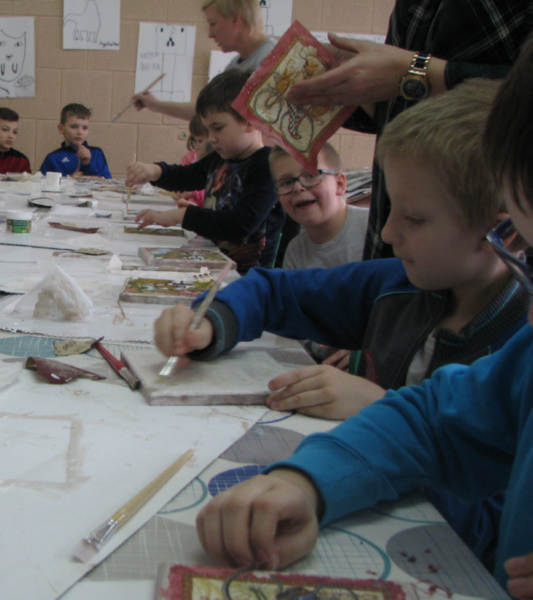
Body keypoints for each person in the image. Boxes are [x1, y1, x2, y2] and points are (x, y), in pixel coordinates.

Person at [175, 44, 533, 592]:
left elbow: (488, 528)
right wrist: (306, 482)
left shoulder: (510, 335)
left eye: (413, 218)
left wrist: (373, 403)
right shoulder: (408, 290)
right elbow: (425, 423)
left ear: (497, 229)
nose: (385, 233)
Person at [285, 0, 531, 261]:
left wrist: (417, 73)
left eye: (414, 217)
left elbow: (518, 102)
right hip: (397, 259)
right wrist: (353, 84)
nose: (389, 232)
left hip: (471, 253)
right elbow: (391, 113)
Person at [127, 68, 283, 273]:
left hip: (247, 278)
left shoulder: (267, 165)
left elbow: (240, 225)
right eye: (208, 129)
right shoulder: (220, 158)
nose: (211, 138)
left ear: (249, 121)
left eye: (218, 128)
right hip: (213, 265)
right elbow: (187, 176)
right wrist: (154, 171)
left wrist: (181, 216)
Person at [131, 0, 277, 122]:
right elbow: (207, 110)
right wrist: (156, 105)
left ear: (236, 20)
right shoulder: (234, 66)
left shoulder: (274, 58)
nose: (210, 34)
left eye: (213, 24)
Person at [271, 144, 367, 270]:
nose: (298, 187)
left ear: (339, 184)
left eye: (310, 176)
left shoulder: (372, 228)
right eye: (287, 182)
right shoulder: (295, 252)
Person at [39, 103, 111, 178]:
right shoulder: (53, 158)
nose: (80, 132)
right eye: (74, 127)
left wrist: (88, 165)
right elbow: (41, 183)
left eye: (84, 128)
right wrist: (70, 179)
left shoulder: (96, 153)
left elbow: (107, 182)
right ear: (61, 129)